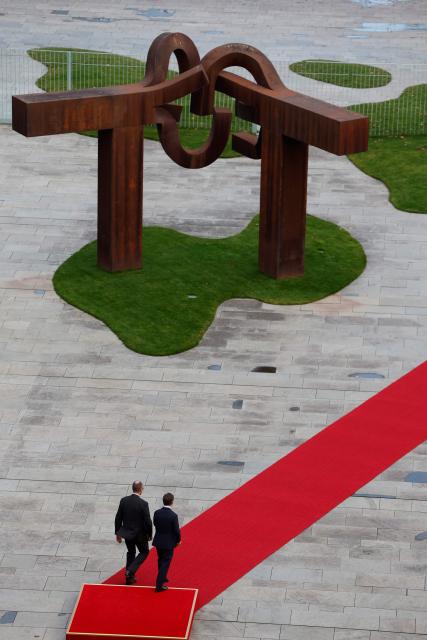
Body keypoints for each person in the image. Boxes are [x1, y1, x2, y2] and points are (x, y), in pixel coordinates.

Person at [115, 480, 152, 585]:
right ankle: (130, 571)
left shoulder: (124, 500)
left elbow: (118, 518)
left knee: (131, 553)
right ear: (140, 490)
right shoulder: (143, 504)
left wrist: (118, 533)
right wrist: (149, 534)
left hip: (127, 534)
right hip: (140, 535)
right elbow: (148, 521)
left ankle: (129, 578)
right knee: (144, 552)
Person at [152, 492, 181, 592]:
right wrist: (178, 541)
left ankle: (162, 577)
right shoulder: (173, 516)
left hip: (158, 541)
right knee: (166, 562)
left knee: (160, 560)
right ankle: (159, 585)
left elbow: (155, 524)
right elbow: (176, 531)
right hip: (169, 543)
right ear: (172, 502)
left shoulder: (157, 513)